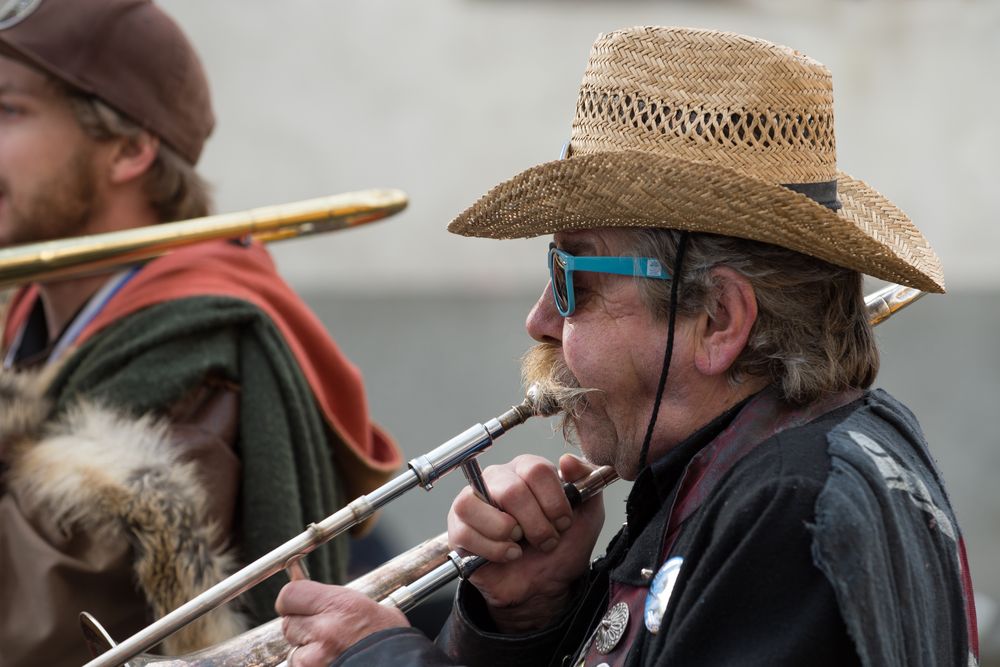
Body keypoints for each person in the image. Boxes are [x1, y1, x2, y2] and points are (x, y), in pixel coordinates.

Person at [274, 26, 979, 667]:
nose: (540, 318)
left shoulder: (786, 501)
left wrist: (381, 657)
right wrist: (530, 616)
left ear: (718, 319)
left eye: (571, 275)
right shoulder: (748, 476)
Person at [0, 2, 402, 666]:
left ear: (129, 149)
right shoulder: (31, 308)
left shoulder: (196, 340)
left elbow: (52, 618)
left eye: (9, 111)